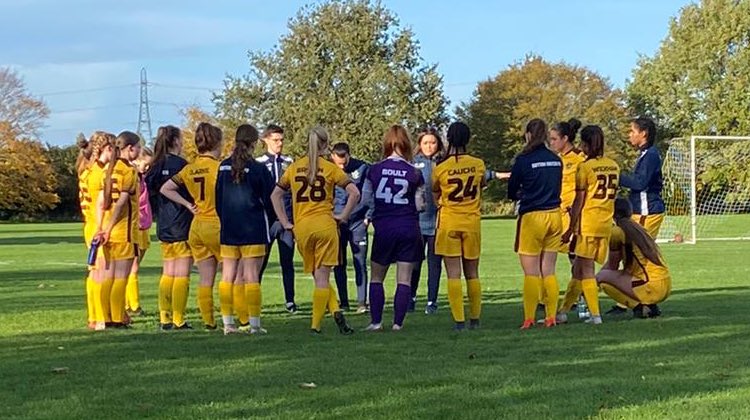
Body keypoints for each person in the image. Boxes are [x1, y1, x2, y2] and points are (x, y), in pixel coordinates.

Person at [270, 126, 358, 335]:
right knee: (323, 278)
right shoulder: (330, 168)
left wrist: (285, 222)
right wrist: (343, 216)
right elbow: (354, 192)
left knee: (319, 277)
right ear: (326, 145)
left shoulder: (293, 168)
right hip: (325, 225)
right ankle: (315, 325)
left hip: (302, 228)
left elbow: (275, 195)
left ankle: (336, 311)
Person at [362, 125, 425, 331]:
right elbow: (420, 205)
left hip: (385, 226)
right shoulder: (414, 172)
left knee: (377, 276)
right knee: (404, 278)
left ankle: (376, 322)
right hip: (408, 226)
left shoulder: (374, 170)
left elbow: (365, 199)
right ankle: (398, 324)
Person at [161, 122, 223, 330]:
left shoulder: (191, 168)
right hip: (216, 223)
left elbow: (166, 188)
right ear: (217, 143)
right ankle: (234, 318)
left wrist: (188, 204)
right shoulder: (218, 168)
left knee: (206, 278)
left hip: (196, 226)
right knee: (232, 273)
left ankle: (208, 321)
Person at [216, 124, 276, 334]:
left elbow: (218, 199)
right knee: (251, 276)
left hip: (229, 228)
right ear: (254, 143)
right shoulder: (259, 169)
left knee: (227, 276)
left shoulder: (223, 167)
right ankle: (255, 324)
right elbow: (271, 199)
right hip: (253, 227)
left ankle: (227, 323)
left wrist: (225, 218)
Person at [559, 125, 620, 325]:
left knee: (585, 271)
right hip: (604, 223)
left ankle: (595, 315)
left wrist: (569, 229)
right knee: (578, 270)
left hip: (588, 223)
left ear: (584, 144)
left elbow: (579, 201)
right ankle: (563, 312)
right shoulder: (614, 165)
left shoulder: (584, 168)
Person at [508, 119, 564, 329]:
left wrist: (524, 192)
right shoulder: (556, 159)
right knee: (548, 269)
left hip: (533, 217)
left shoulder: (524, 160)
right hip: (554, 215)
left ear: (529, 135)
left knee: (531, 272)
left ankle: (529, 318)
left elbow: (512, 191)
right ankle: (551, 317)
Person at [432, 122, 486, 331]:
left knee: (453, 274)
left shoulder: (441, 168)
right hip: (471, 221)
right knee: (472, 272)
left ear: (449, 139)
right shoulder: (478, 164)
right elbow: (482, 185)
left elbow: (434, 190)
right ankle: (475, 318)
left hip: (449, 222)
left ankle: (459, 321)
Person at [145, 125, 193, 331]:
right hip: (181, 222)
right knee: (182, 273)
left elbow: (150, 194)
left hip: (163, 223)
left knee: (168, 271)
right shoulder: (181, 165)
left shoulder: (155, 166)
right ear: (175, 141)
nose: (182, 143)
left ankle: (164, 317)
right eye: (181, 139)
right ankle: (178, 318)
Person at [93, 131, 141, 329]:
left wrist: (100, 227)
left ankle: (104, 317)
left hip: (106, 230)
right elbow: (121, 203)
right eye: (138, 147)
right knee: (120, 277)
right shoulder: (128, 170)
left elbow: (100, 202)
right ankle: (116, 318)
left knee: (107, 277)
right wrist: (110, 227)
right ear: (130, 148)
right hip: (123, 231)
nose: (139, 150)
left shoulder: (108, 170)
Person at [597, 198, 671, 317]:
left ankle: (639, 307)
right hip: (664, 283)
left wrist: (594, 280)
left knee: (602, 279)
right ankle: (651, 307)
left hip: (650, 285)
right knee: (605, 280)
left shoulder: (617, 232)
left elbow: (612, 265)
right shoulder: (638, 228)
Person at [548, 119, 587, 319]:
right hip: (558, 215)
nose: (551, 143)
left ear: (565, 138)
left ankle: (581, 299)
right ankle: (550, 298)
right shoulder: (556, 160)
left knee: (577, 259)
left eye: (554, 139)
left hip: (574, 217)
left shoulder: (580, 159)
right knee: (553, 257)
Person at [256, 124, 298, 313]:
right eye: (275, 140)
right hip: (266, 220)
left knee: (287, 261)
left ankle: (290, 300)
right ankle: (254, 298)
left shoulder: (289, 162)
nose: (279, 143)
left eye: (281, 140)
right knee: (260, 262)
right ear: (265, 140)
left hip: (286, 220)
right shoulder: (258, 163)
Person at [331, 142, 372, 313]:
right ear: (332, 157)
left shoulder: (363, 167)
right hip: (337, 222)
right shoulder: (327, 169)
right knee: (338, 263)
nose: (341, 166)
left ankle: (362, 302)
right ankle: (344, 302)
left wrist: (368, 216)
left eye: (344, 162)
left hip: (358, 222)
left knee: (360, 263)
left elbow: (370, 192)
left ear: (348, 155)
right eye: (338, 163)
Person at [411, 127, 445, 315]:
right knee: (414, 262)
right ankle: (411, 297)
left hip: (438, 222)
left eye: (432, 142)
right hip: (417, 222)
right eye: (425, 143)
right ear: (419, 145)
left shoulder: (444, 162)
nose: (429, 146)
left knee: (435, 264)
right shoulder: (413, 163)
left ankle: (432, 301)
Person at [621, 117, 665, 239]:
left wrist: (616, 176)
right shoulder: (646, 153)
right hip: (640, 209)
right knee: (634, 252)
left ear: (643, 133)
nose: (630, 135)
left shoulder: (650, 155)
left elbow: (640, 183)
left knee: (640, 252)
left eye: (633, 131)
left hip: (646, 210)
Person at [125, 147, 153, 317]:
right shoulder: (132, 178)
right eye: (145, 164)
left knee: (135, 266)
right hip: (135, 226)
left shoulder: (142, 178)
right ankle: (133, 305)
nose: (147, 168)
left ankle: (129, 302)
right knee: (132, 267)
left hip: (144, 226)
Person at [76, 134, 95, 328]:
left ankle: (96, 313)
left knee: (95, 271)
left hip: (89, 223)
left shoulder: (83, 173)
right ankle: (97, 314)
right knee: (99, 272)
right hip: (96, 224)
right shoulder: (93, 175)